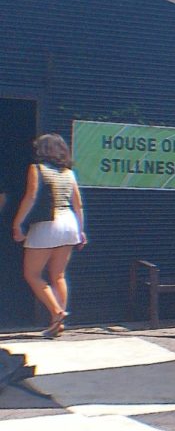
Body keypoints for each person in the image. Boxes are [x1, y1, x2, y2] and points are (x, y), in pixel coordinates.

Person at [11, 134, 85, 339]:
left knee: (32, 274)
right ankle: (57, 324)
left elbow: (31, 197)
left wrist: (18, 223)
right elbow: (78, 205)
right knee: (58, 275)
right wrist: (80, 230)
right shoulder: (69, 173)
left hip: (47, 224)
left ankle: (56, 312)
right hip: (69, 222)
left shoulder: (37, 169)